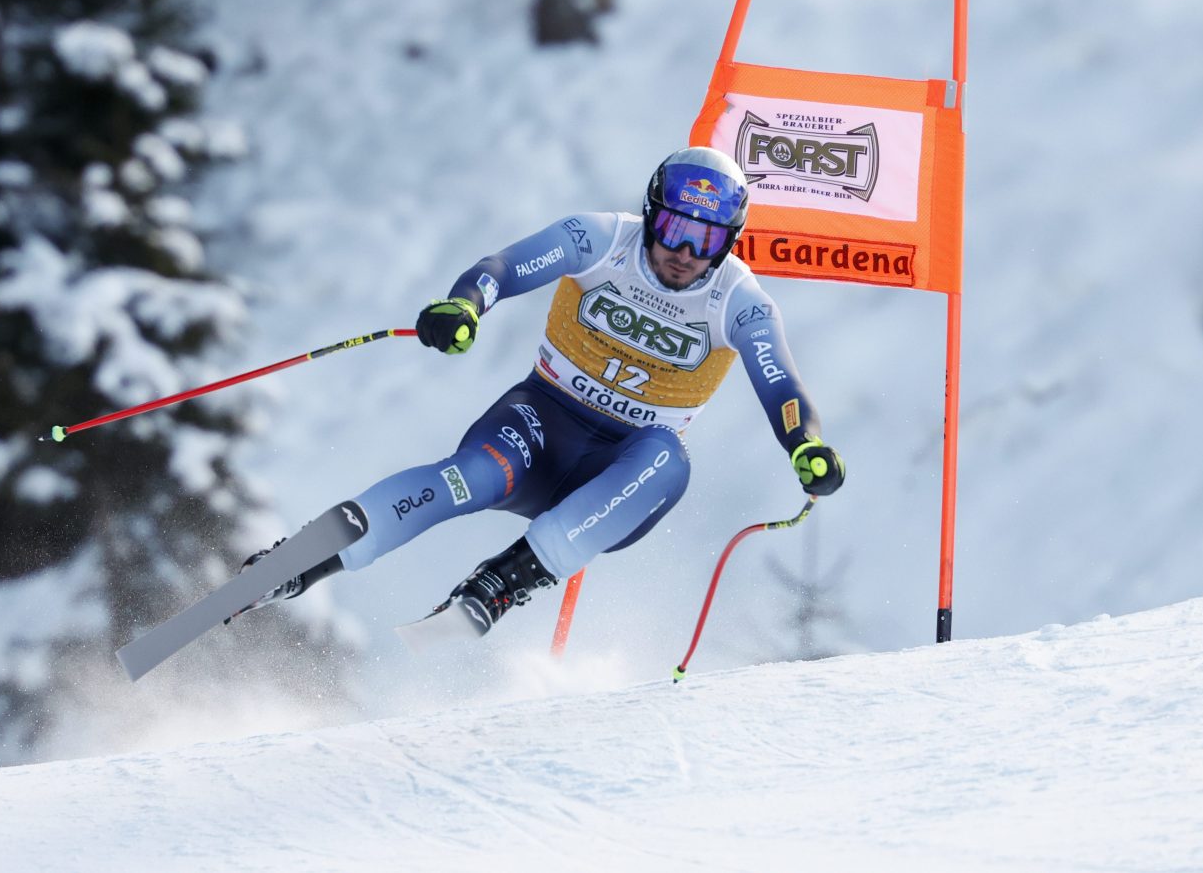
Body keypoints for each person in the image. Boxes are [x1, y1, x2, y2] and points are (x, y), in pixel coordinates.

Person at [239, 146, 844, 636]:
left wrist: (804, 444)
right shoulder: (602, 239)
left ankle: (502, 584)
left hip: (623, 471)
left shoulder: (739, 300)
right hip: (541, 421)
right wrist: (465, 305)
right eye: (675, 228)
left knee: (668, 458)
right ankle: (300, 561)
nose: (684, 252)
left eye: (706, 240)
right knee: (470, 476)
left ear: (728, 242)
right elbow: (502, 267)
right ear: (652, 214)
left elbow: (780, 383)